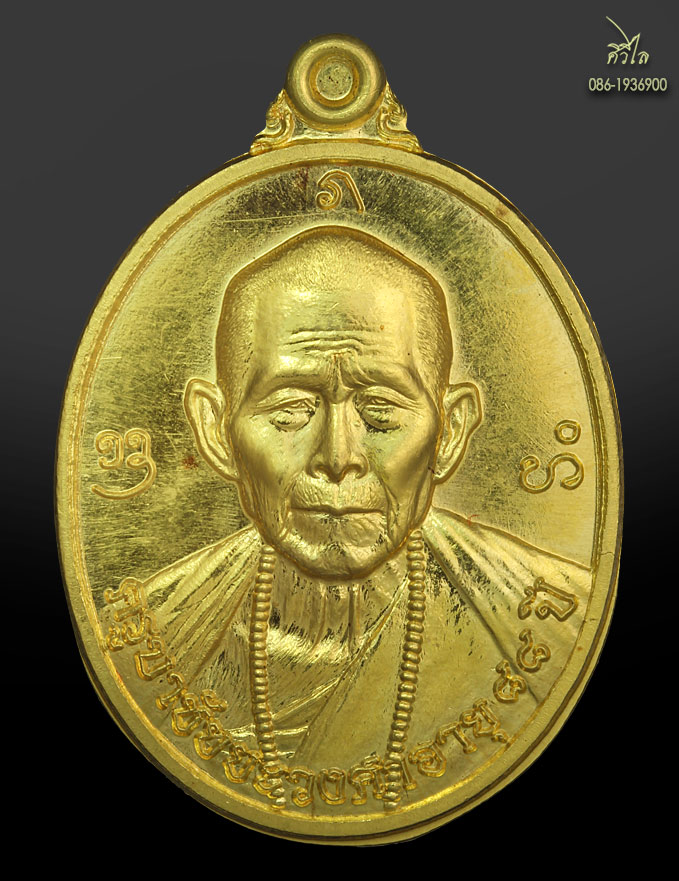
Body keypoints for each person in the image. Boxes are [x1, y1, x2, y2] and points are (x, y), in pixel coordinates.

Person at [115, 225, 590, 808]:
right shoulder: (143, 635)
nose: (338, 457)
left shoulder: (561, 616)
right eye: (291, 409)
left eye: (381, 410)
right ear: (216, 432)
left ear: (450, 430)